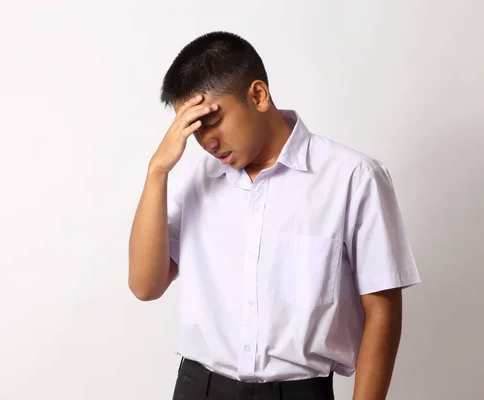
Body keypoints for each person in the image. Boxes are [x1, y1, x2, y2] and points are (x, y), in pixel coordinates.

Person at [128, 31, 421, 400]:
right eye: (195, 129)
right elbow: (144, 286)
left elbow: (381, 310)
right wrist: (157, 172)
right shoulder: (196, 181)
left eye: (213, 121)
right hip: (198, 389)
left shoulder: (351, 178)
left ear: (258, 95)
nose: (207, 142)